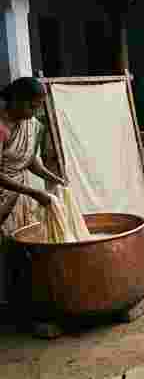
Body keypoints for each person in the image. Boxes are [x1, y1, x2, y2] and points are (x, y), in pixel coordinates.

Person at [0, 77, 67, 306]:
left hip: (16, 195)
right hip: (6, 195)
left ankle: (19, 300)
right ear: (16, 101)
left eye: (38, 106)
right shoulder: (1, 128)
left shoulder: (31, 126)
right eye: (32, 106)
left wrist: (52, 177)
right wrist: (32, 192)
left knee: (17, 250)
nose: (35, 111)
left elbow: (29, 160)